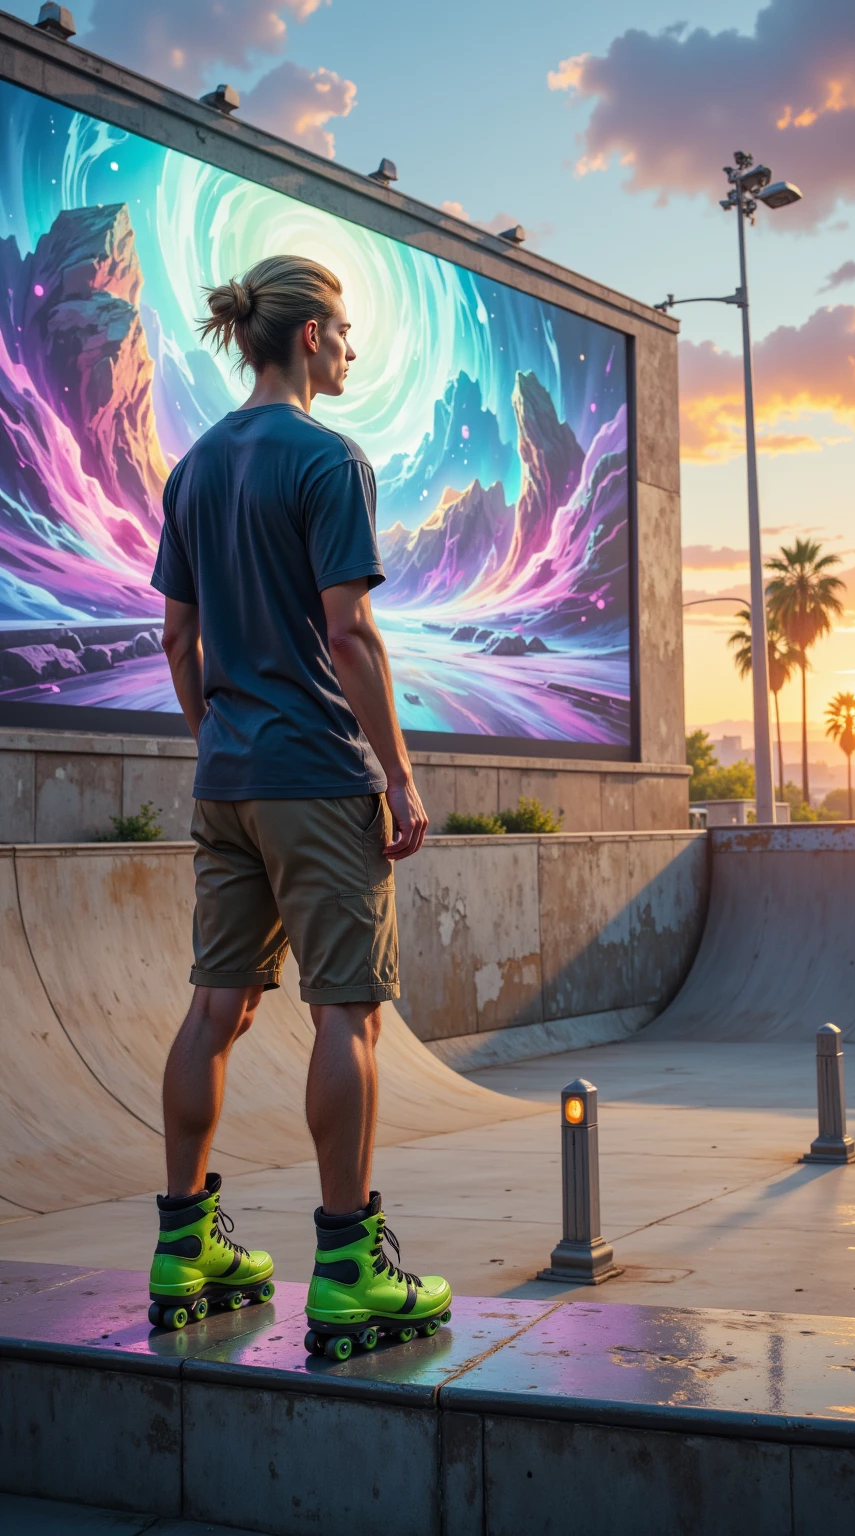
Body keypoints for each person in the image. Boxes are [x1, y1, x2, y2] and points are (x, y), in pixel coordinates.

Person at [147, 254, 451, 1352]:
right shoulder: (329, 460)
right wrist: (401, 776)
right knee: (347, 1014)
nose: (355, 349)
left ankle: (183, 1250)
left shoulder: (191, 470)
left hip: (226, 774)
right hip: (318, 776)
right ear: (313, 336)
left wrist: (216, 739)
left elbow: (176, 638)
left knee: (213, 1011)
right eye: (347, 331)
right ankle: (346, 1268)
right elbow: (348, 631)